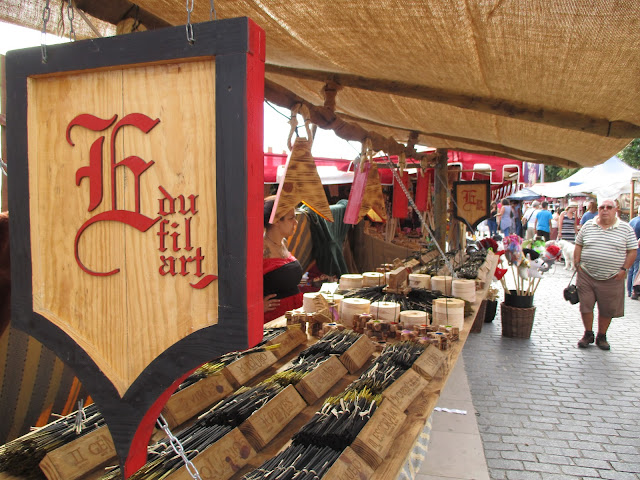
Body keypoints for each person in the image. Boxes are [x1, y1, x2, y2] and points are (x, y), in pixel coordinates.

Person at [574, 199, 637, 350]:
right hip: (586, 274)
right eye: (602, 207)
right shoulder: (589, 225)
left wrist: (624, 269)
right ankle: (588, 334)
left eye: (609, 207)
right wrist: (577, 263)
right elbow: (579, 244)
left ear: (616, 210)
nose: (605, 210)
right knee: (585, 305)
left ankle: (602, 336)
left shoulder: (626, 228)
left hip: (612, 276)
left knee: (607, 308)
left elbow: (632, 251)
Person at [263, 196, 304, 323]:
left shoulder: (283, 242)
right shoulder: (260, 248)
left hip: (293, 315)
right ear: (276, 220)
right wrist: (257, 306)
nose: (295, 223)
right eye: (291, 218)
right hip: (273, 320)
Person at [628, 205, 640, 299]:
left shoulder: (632, 221)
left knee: (631, 270)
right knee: (636, 269)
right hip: (637, 248)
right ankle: (634, 291)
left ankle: (629, 290)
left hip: (630, 247)